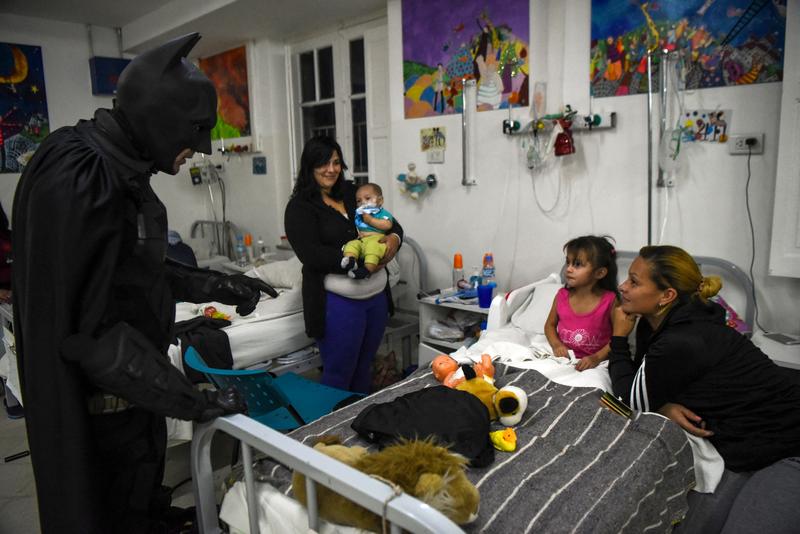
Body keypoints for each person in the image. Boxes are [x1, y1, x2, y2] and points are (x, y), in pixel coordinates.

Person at [11, 33, 277, 533]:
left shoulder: (107, 165)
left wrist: (218, 286)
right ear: (159, 117)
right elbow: (93, 333)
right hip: (104, 419)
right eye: (197, 129)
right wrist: (194, 401)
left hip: (131, 409)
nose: (202, 147)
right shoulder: (84, 176)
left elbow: (132, 274)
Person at [609, 245, 800, 533]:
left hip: (788, 442)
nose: (623, 287)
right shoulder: (663, 321)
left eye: (634, 282)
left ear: (667, 296)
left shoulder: (682, 339)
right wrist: (662, 405)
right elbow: (647, 381)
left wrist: (618, 338)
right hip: (743, 444)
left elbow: (627, 399)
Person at [284, 136, 402, 393]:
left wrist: (394, 239)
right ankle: (333, 421)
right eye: (323, 163)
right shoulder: (299, 208)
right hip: (339, 305)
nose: (331, 169)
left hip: (376, 300)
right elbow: (311, 255)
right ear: (309, 166)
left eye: (336, 162)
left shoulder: (353, 193)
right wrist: (359, 261)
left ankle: (360, 418)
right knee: (339, 375)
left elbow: (389, 222)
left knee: (364, 369)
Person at [544, 235, 618, 371]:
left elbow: (618, 337)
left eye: (577, 264)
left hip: (596, 364)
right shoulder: (561, 295)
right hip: (563, 360)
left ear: (600, 273)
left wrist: (596, 358)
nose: (568, 269)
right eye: (568, 263)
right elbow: (550, 325)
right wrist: (556, 345)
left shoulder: (610, 300)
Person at [340, 183, 394, 280]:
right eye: (359, 201)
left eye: (368, 198)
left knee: (373, 248)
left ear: (380, 201)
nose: (363, 203)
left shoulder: (381, 213)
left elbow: (388, 225)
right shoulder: (359, 215)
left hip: (377, 240)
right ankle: (351, 261)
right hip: (362, 240)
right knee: (351, 244)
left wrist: (371, 220)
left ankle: (367, 270)